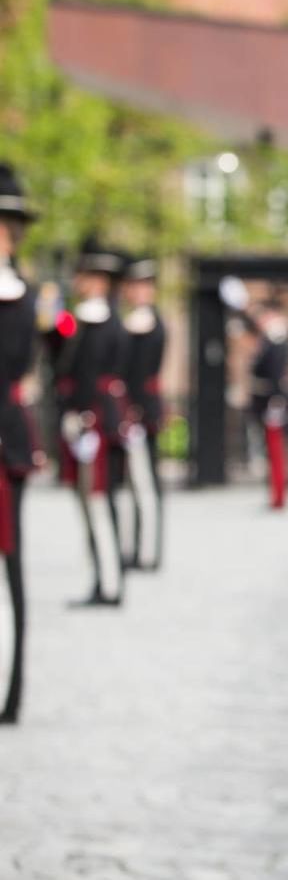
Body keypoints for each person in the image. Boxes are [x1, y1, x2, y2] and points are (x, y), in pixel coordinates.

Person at [53, 238, 130, 606]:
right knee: (91, 504)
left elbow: (89, 378)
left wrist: (80, 413)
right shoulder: (84, 320)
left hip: (95, 422)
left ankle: (110, 581)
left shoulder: (104, 323)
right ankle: (104, 577)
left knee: (100, 501)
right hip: (90, 421)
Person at [0, 164, 39, 723]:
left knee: (9, 565)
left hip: (4, 442)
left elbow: (18, 366)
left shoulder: (22, 294)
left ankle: (11, 688)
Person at [120, 253, 166, 570]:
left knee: (145, 483)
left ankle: (148, 551)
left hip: (141, 410)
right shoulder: (137, 321)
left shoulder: (147, 323)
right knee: (135, 484)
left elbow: (139, 374)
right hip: (135, 408)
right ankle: (138, 546)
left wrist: (133, 409)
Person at [249, 299, 288, 511]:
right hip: (267, 399)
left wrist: (275, 402)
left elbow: (275, 374)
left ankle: (279, 496)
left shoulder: (276, 339)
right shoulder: (269, 339)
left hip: (272, 401)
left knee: (276, 451)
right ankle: (276, 495)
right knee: (272, 451)